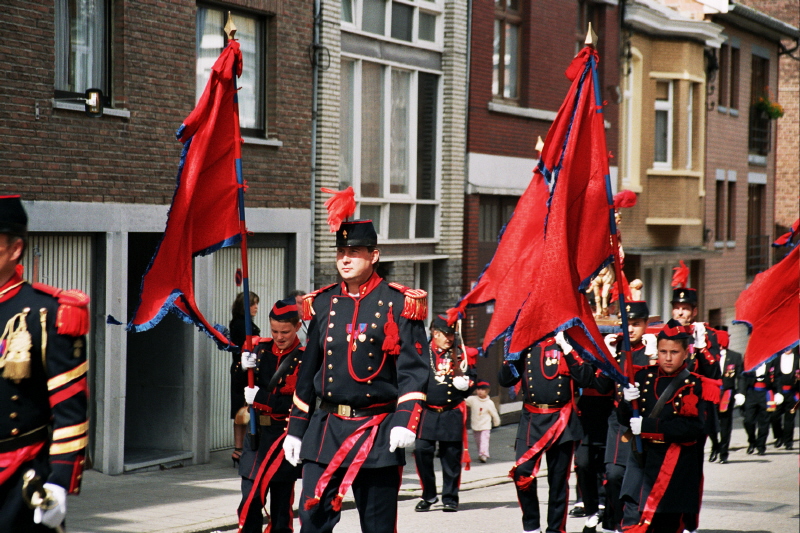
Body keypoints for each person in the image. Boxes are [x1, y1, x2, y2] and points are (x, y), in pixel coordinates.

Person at [282, 218, 429, 533]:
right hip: (326, 429)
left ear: (374, 256)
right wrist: (295, 428)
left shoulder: (399, 302)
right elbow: (308, 372)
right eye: (340, 252)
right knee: (311, 519)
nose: (345, 259)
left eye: (354, 251)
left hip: (377, 430)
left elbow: (414, 371)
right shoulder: (322, 302)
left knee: (377, 526)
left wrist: (406, 419)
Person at [0, 196, 90, 531]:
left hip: (18, 478)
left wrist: (59, 480)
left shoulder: (48, 314)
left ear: (15, 249)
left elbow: (70, 410)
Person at [617, 319, 717, 533]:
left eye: (674, 352)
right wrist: (626, 402)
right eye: (663, 351)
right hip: (642, 461)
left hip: (673, 469)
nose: (668, 357)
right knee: (632, 523)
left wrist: (648, 425)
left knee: (664, 527)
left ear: (685, 353)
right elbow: (625, 420)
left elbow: (692, 428)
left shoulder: (695, 385)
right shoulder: (643, 377)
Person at [498, 331, 597, 533]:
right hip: (532, 417)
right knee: (523, 473)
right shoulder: (525, 341)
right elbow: (505, 379)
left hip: (562, 418)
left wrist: (567, 348)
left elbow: (586, 378)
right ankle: (532, 526)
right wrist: (513, 352)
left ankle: (555, 529)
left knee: (558, 480)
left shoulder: (569, 340)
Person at [237, 297, 304, 533]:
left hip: (284, 438)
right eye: (274, 330)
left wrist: (262, 399)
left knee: (280, 508)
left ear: (297, 326)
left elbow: (298, 403)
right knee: (250, 501)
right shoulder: (260, 349)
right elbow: (241, 389)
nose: (279, 336)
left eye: (285, 331)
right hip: (256, 436)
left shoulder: (305, 358)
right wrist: (242, 367)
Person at [601, 301, 656, 533]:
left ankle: (636, 522)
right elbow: (601, 386)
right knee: (614, 474)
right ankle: (614, 519)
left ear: (645, 324)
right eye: (626, 324)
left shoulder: (653, 349)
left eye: (636, 324)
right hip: (619, 422)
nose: (630, 329)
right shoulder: (615, 348)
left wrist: (654, 359)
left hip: (645, 422)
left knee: (642, 478)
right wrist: (606, 359)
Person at [413, 315, 477, 512]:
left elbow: (473, 377)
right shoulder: (422, 353)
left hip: (451, 412)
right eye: (445, 335)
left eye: (451, 335)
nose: (449, 339)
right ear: (435, 333)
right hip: (428, 411)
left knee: (451, 457)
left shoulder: (461, 354)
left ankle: (450, 497)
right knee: (422, 452)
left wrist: (466, 386)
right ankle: (429, 494)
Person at [229, 291, 261, 467]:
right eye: (252, 304)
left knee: (242, 409)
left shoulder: (243, 323)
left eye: (256, 304)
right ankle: (241, 448)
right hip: (243, 370)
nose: (256, 307)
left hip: (243, 369)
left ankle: (239, 448)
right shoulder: (242, 325)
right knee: (243, 409)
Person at [714, 329, 742, 463]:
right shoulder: (709, 355)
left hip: (727, 393)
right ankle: (715, 446)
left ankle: (723, 452)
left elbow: (740, 376)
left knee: (725, 423)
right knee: (711, 423)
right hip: (712, 393)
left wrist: (740, 392)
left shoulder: (735, 357)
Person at [738, 361, 773, 455]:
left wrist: (778, 392)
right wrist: (741, 392)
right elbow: (742, 376)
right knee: (748, 421)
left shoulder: (773, 358)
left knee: (764, 422)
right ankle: (752, 441)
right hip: (751, 393)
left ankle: (761, 445)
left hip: (765, 393)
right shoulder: (750, 356)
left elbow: (777, 376)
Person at [769, 347, 799, 450]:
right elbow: (773, 376)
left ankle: (788, 441)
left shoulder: (798, 359)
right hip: (779, 393)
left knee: (789, 418)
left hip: (792, 393)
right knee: (774, 416)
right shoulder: (776, 359)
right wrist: (776, 392)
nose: (788, 349)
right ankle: (779, 436)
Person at [465, 381, 500, 463]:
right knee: (478, 440)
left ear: (487, 391)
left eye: (482, 390)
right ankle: (480, 453)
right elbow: (464, 401)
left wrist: (496, 421)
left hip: (485, 425)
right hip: (476, 425)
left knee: (484, 439)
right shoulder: (473, 399)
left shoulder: (489, 403)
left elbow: (494, 413)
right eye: (478, 389)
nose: (480, 391)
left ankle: (483, 454)